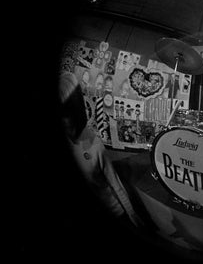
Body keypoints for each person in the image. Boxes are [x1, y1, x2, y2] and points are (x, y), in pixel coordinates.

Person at [58, 71, 142, 229]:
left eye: (67, 114)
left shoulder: (94, 142)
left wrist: (132, 217)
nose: (65, 121)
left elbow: (115, 184)